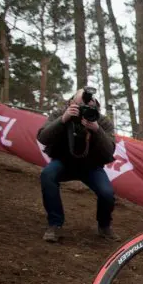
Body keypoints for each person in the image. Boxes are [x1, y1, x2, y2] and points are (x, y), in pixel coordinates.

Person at [37, 87, 118, 242]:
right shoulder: (60, 113)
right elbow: (43, 138)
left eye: (89, 107)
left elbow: (109, 152)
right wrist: (63, 119)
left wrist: (96, 129)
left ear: (95, 106)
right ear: (71, 103)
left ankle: (104, 226)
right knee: (47, 175)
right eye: (80, 105)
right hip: (63, 162)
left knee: (107, 193)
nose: (84, 110)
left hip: (91, 167)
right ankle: (55, 224)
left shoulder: (102, 121)